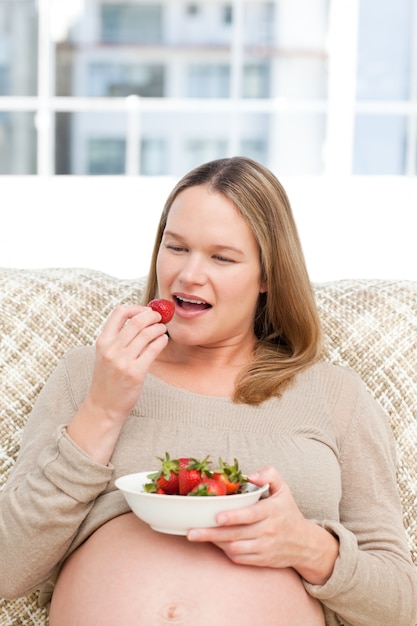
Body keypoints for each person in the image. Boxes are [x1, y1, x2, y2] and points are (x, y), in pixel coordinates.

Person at [0, 157, 416, 626]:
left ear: (268, 276)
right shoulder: (89, 373)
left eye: (222, 257)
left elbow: (403, 605)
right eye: (176, 247)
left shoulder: (336, 396)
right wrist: (103, 408)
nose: (188, 275)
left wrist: (310, 547)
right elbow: (8, 568)